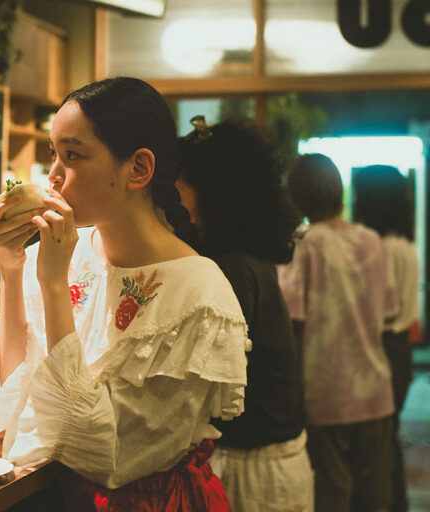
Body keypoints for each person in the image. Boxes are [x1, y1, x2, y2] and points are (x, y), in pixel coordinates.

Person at [0, 77, 250, 511]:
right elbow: (13, 401)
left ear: (138, 169)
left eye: (72, 156)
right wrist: (12, 266)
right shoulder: (70, 252)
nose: (53, 176)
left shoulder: (199, 294)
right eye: (52, 153)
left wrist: (55, 286)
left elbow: (100, 453)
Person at [173, 117, 313, 511]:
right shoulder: (245, 259)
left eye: (180, 180)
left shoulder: (232, 269)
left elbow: (197, 387)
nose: (173, 194)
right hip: (267, 459)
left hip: (255, 468)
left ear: (213, 190)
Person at [278, 153, 398, 512]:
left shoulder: (304, 243)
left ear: (295, 195)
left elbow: (292, 320)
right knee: (375, 497)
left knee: (331, 496)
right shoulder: (372, 240)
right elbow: (389, 315)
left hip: (325, 395)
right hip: (376, 390)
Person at [352, 164, 419, 512]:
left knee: (378, 448)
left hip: (382, 349)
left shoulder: (381, 247)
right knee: (385, 441)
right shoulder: (405, 246)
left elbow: (379, 311)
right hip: (399, 349)